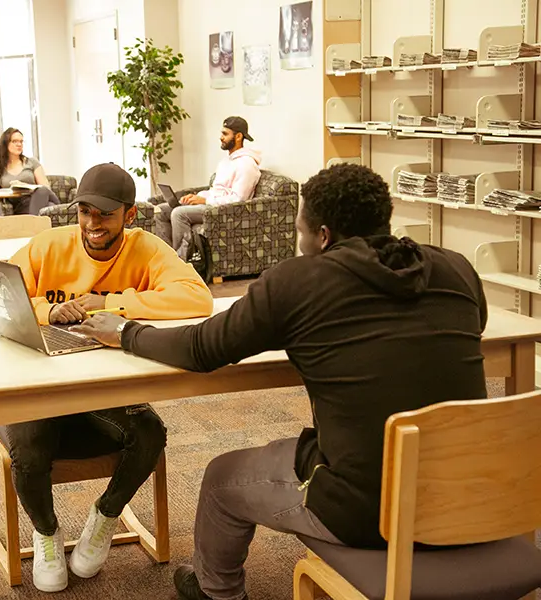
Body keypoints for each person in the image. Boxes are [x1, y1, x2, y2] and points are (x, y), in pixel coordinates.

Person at [74, 163, 489, 600]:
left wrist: (124, 332)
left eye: (301, 231)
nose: (299, 240)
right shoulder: (456, 268)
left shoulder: (298, 283)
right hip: (475, 490)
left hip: (369, 510)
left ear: (323, 236)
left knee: (220, 478)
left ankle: (217, 592)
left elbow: (201, 349)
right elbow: (473, 324)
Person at [0, 163, 214, 593]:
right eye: (84, 212)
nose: (92, 224)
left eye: (104, 214)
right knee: (27, 448)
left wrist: (111, 303)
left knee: (151, 433)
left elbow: (198, 297)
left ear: (130, 215)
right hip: (38, 388)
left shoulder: (146, 248)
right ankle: (46, 533)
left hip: (103, 392)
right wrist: (45, 310)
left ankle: (104, 516)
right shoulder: (49, 246)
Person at [155, 116, 262, 257]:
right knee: (161, 210)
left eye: (225, 134)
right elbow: (217, 190)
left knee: (179, 213)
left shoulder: (247, 164)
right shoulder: (226, 161)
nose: (220, 137)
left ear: (238, 136)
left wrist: (205, 201)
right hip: (211, 203)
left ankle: (180, 263)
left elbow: (238, 200)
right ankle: (166, 257)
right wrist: (198, 196)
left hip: (223, 211)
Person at [0, 127, 60, 215]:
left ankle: (33, 222)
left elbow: (46, 188)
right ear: (5, 143)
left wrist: (27, 187)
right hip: (19, 206)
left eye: (21, 141)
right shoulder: (0, 166)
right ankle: (35, 221)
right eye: (15, 141)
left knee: (42, 190)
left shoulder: (32, 162)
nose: (19, 144)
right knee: (50, 206)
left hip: (37, 199)